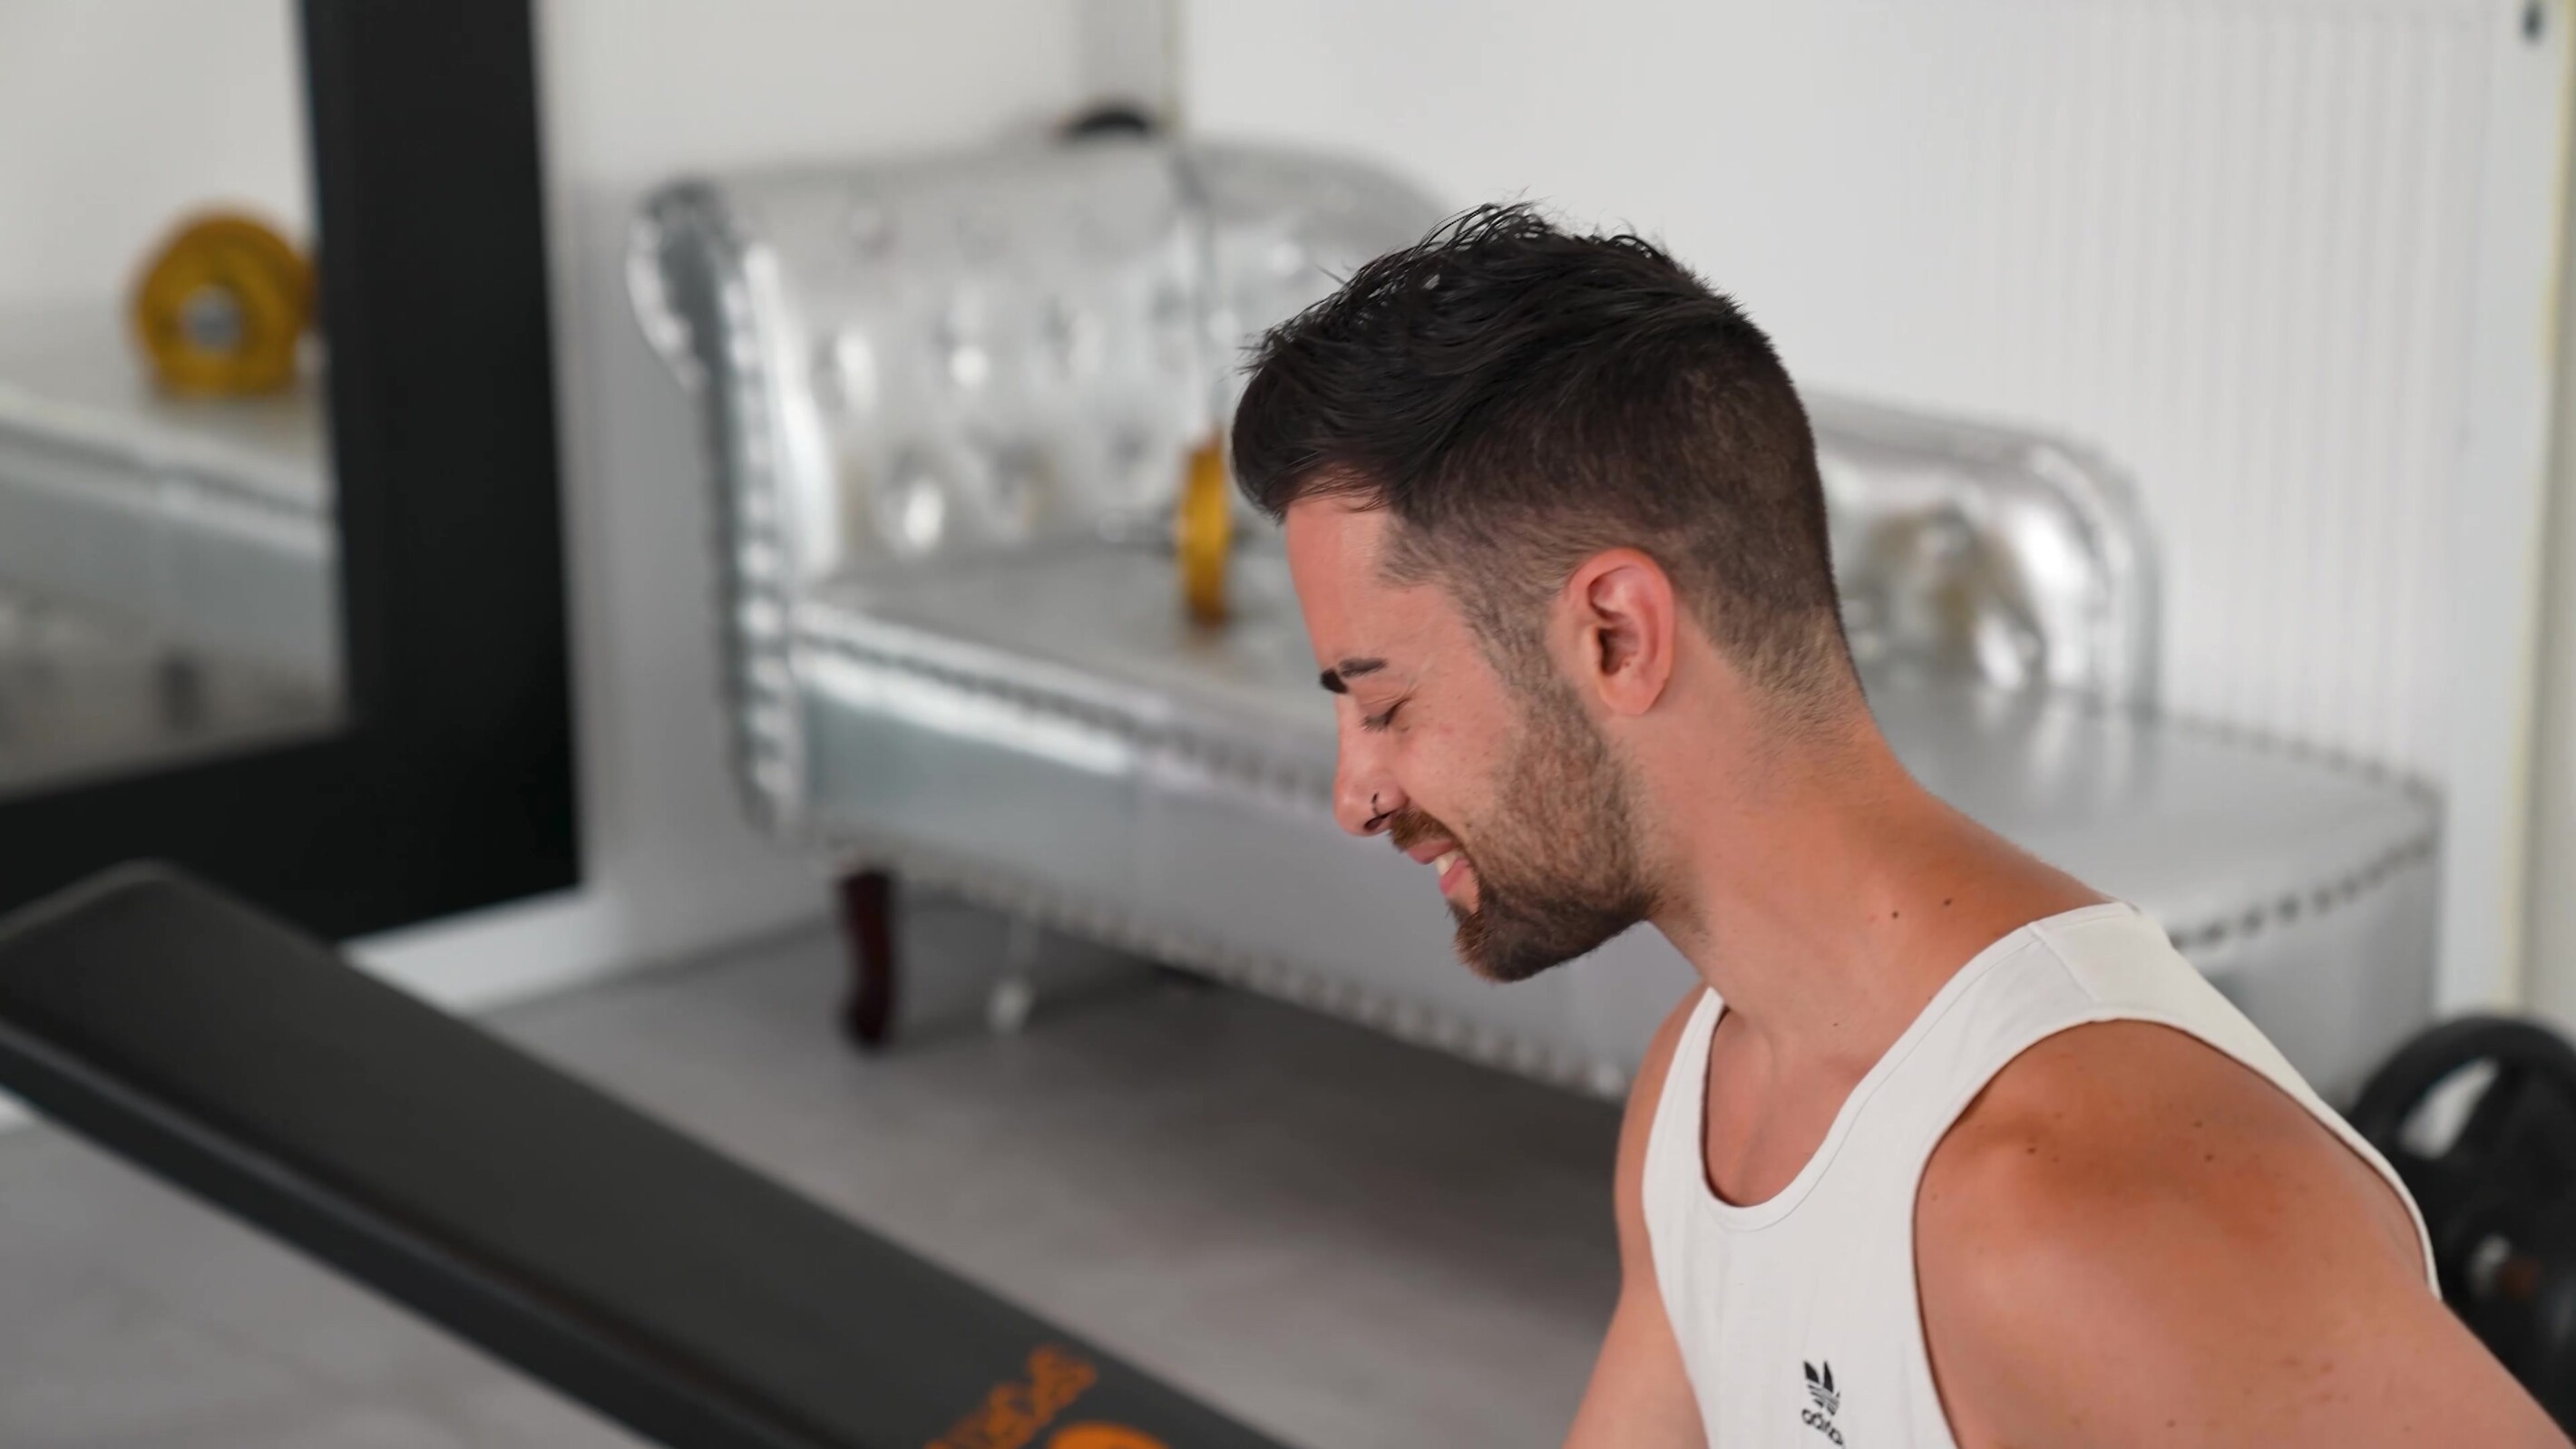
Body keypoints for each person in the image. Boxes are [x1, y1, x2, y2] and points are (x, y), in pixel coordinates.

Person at [1230, 204, 2566, 1447]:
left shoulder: (2077, 1206)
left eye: (1385, 703)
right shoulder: (1702, 1095)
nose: (1358, 794)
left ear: (1616, 636)